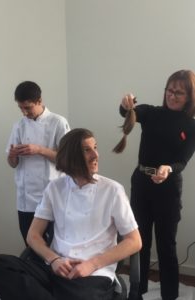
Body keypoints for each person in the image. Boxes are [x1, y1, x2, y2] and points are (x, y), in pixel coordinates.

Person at [0, 128, 142, 300]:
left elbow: (134, 241)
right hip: (55, 268)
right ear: (71, 156)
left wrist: (92, 264)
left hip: (92, 274)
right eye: (87, 150)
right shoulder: (55, 188)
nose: (95, 155)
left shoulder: (112, 190)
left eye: (95, 147)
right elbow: (33, 235)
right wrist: (54, 260)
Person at [116, 70, 195, 300]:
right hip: (141, 183)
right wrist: (126, 104)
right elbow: (129, 112)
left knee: (166, 245)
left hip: (168, 188)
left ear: (189, 97)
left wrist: (168, 169)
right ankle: (137, 291)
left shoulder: (191, 126)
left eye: (179, 93)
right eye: (169, 90)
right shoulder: (151, 112)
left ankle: (170, 295)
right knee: (139, 240)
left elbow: (182, 160)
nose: (172, 96)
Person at [6, 81, 70, 245]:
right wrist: (13, 155)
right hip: (25, 200)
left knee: (54, 247)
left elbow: (67, 159)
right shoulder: (19, 126)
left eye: (28, 108)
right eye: (21, 108)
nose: (24, 112)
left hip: (51, 196)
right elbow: (12, 163)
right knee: (31, 245)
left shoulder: (58, 122)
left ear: (39, 101)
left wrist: (39, 150)